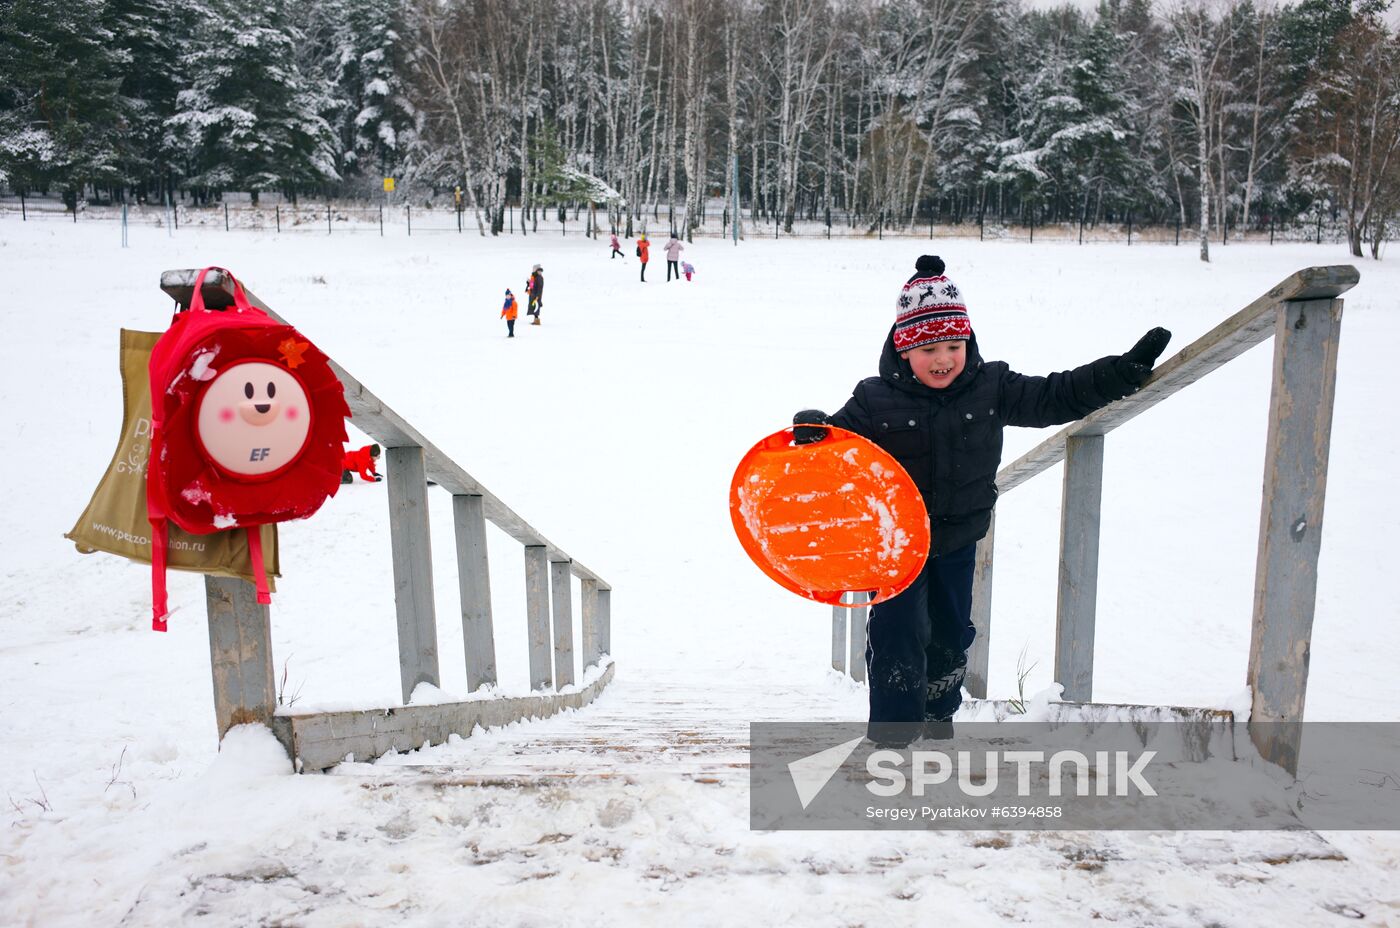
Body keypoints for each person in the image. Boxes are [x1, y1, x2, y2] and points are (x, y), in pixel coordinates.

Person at [792, 255, 1171, 746]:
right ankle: (892, 733)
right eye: (928, 349)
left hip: (958, 538)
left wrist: (1121, 373)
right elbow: (837, 447)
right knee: (898, 631)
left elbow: (1055, 395)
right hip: (896, 545)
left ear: (967, 343)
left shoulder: (992, 387)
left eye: (953, 344)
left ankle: (937, 714)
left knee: (950, 630)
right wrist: (813, 432)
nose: (943, 358)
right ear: (904, 351)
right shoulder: (874, 398)